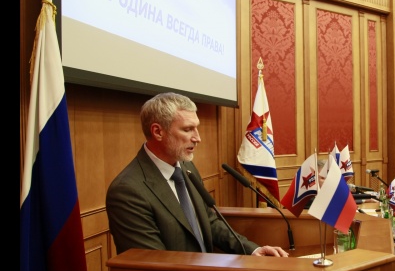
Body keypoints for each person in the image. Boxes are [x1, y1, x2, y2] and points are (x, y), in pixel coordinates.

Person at [106, 92, 290, 258]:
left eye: (196, 128)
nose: (197, 138)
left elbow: (208, 221)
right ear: (158, 132)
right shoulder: (127, 191)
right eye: (187, 129)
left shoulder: (187, 167)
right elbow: (153, 265)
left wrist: (252, 250)